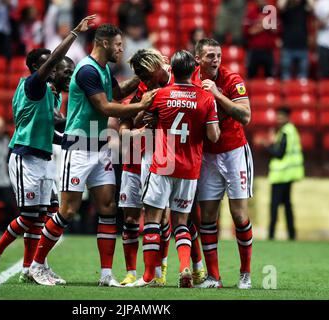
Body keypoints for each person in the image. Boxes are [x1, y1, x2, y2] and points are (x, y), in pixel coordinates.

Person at [29, 23, 158, 287]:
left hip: (99, 146)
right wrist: (142, 104)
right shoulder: (87, 70)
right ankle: (36, 265)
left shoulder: (104, 69)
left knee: (108, 209)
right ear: (104, 43)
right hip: (78, 145)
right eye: (119, 45)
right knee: (67, 210)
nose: (122, 50)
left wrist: (141, 77)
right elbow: (105, 106)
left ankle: (106, 274)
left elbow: (118, 93)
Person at [0, 14, 97, 285]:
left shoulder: (52, 95)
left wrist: (93, 144)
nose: (63, 72)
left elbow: (57, 133)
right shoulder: (33, 85)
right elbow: (55, 61)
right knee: (30, 216)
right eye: (55, 65)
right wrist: (74, 33)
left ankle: (29, 268)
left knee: (46, 215)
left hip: (43, 158)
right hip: (24, 156)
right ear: (39, 66)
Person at [126, 50, 220, 288]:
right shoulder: (205, 96)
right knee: (182, 222)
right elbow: (213, 136)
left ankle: (150, 275)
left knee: (152, 220)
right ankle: (185, 267)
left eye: (143, 73)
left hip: (163, 162)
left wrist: (152, 120)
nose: (142, 79)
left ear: (169, 69)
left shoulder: (159, 94)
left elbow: (137, 119)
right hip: (190, 166)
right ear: (192, 71)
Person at [192, 38, 254, 289]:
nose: (215, 59)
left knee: (239, 215)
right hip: (206, 155)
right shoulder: (190, 79)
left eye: (218, 55)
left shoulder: (231, 80)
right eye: (209, 56)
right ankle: (213, 277)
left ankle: (245, 274)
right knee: (207, 217)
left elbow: (246, 115)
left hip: (234, 152)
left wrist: (216, 94)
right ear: (198, 59)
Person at [118, 48, 174, 287]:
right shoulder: (143, 86)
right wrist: (140, 118)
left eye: (147, 74)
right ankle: (131, 272)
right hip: (134, 154)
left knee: (161, 215)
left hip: (161, 155)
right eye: (141, 75)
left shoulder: (179, 82)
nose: (145, 79)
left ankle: (160, 270)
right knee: (130, 216)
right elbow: (123, 126)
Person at [259, 107, 304, 240]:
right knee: (287, 205)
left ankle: (271, 234)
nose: (278, 119)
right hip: (288, 174)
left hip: (281, 175)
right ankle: (291, 235)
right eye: (278, 116)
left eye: (281, 116)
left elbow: (279, 154)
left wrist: (266, 145)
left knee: (275, 206)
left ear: (287, 117)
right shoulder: (290, 131)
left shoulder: (285, 132)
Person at [278, 0, 314, 80]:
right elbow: (280, 6)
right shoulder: (286, 8)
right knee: (285, 77)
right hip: (287, 46)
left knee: (303, 79)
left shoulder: (304, 7)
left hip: (303, 46)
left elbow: (313, 7)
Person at [242, 0, 278, 78]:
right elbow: (247, 32)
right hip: (254, 50)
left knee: (270, 77)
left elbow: (276, 31)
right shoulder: (250, 12)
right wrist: (264, 25)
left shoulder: (272, 12)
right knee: (250, 76)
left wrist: (262, 24)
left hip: (268, 50)